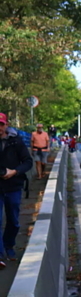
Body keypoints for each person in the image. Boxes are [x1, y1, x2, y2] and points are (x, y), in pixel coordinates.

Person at [0, 113, 32, 264]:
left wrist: (14, 172)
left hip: (13, 186)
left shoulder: (16, 141)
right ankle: (0, 255)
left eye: (1, 124)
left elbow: (27, 162)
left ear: (6, 125)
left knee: (13, 221)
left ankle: (8, 245)